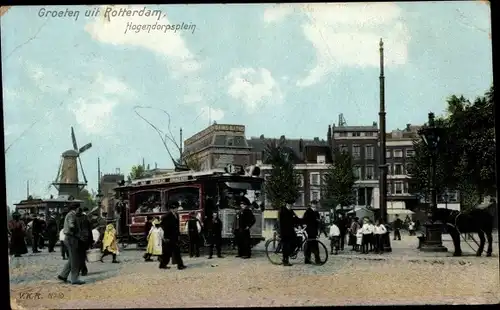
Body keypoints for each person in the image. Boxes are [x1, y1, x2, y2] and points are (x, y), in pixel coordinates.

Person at [58, 204, 84, 285]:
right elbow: (71, 225)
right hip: (71, 238)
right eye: (79, 208)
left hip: (70, 238)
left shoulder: (70, 214)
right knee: (75, 260)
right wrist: (77, 234)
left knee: (72, 259)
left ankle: (63, 275)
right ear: (76, 208)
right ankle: (74, 279)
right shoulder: (71, 215)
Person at [159, 202, 186, 270]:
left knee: (173, 251)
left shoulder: (176, 215)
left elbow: (177, 226)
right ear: (172, 209)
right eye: (176, 208)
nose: (177, 209)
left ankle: (178, 265)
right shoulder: (166, 216)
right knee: (170, 252)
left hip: (175, 236)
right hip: (169, 237)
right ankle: (179, 265)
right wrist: (166, 237)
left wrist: (179, 235)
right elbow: (164, 227)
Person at [279, 200, 301, 266]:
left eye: (291, 204)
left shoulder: (291, 211)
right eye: (289, 204)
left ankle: (290, 253)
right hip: (284, 231)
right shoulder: (282, 211)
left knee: (297, 242)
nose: (291, 205)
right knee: (286, 245)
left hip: (291, 230)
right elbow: (283, 222)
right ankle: (285, 261)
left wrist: (301, 224)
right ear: (286, 204)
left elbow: (296, 219)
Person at [302, 200, 321, 265]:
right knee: (314, 246)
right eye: (313, 204)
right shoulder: (308, 211)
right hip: (309, 231)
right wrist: (305, 226)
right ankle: (317, 260)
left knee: (309, 246)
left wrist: (318, 231)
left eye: (316, 204)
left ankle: (307, 260)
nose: (315, 205)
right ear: (311, 204)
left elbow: (318, 222)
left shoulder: (316, 212)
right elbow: (304, 220)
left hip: (314, 231)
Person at [77, 209, 93, 276]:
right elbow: (89, 231)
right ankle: (82, 270)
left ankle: (81, 270)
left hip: (79, 239)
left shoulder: (75, 219)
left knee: (79, 256)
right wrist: (90, 241)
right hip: (84, 239)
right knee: (82, 256)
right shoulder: (85, 219)